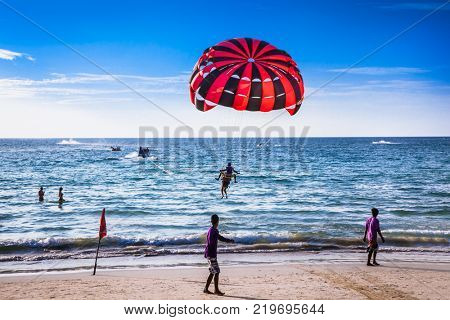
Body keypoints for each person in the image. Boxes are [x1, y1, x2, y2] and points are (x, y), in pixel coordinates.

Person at [204, 214, 234, 296]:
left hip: (208, 254)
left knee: (213, 272)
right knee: (217, 271)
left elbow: (217, 238)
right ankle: (216, 290)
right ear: (217, 221)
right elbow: (219, 238)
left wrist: (228, 240)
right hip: (211, 254)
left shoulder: (211, 230)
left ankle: (206, 289)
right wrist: (229, 241)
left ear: (211, 221)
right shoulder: (214, 230)